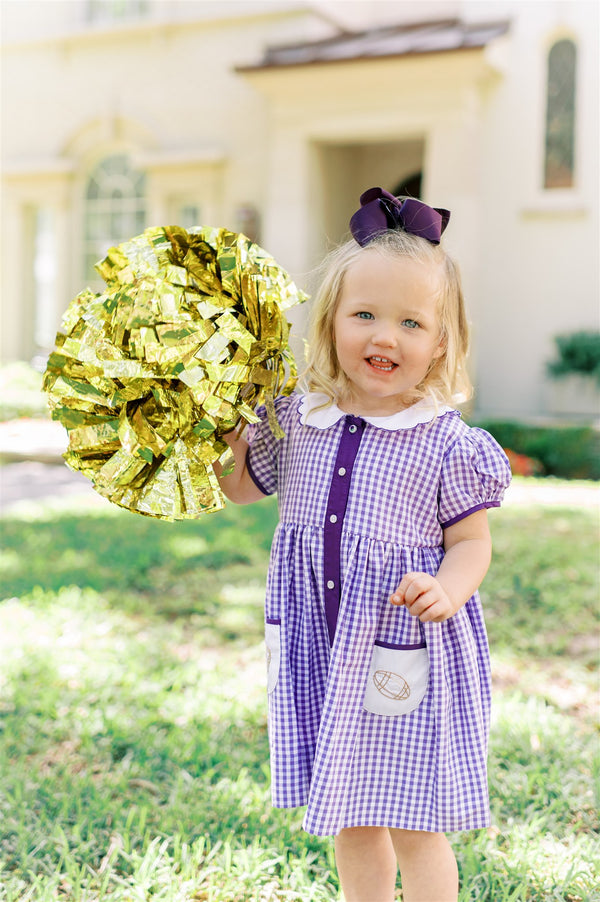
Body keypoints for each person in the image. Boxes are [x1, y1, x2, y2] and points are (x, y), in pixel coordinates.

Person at [215, 187, 511, 902]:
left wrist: (448, 587)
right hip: (323, 642)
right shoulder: (298, 420)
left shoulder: (444, 443)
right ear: (332, 321)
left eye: (412, 322)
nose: (386, 336)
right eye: (366, 315)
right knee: (349, 812)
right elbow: (241, 489)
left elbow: (472, 542)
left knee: (413, 818)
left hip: (400, 646)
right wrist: (232, 442)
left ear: (441, 342)